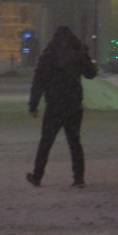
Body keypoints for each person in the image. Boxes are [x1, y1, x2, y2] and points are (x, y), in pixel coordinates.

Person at [27, 24, 101, 186]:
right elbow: (91, 74)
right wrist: (85, 55)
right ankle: (79, 178)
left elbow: (38, 82)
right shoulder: (77, 56)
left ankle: (38, 176)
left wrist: (33, 104)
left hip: (54, 105)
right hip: (73, 104)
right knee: (74, 142)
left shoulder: (48, 57)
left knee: (46, 142)